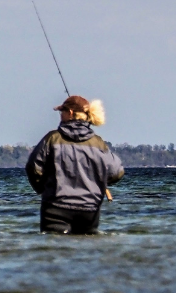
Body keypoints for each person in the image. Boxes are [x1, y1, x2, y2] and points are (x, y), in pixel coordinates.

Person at [26, 95, 124, 234]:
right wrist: (98, 182)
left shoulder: (52, 139)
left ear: (70, 113)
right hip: (90, 209)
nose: (60, 116)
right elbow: (116, 172)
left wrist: (44, 189)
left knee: (55, 251)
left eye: (62, 112)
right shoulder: (98, 143)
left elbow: (33, 167)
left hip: (55, 208)